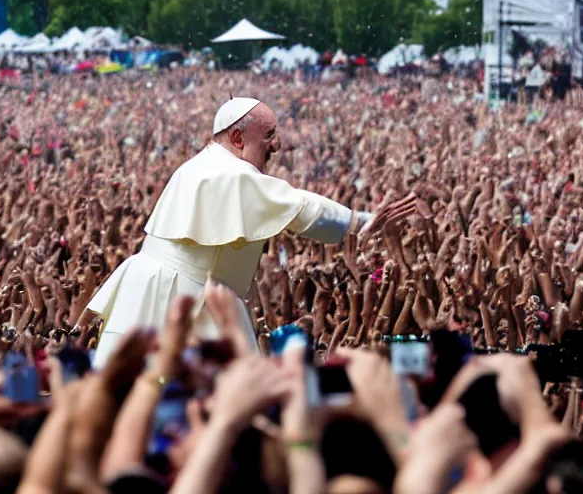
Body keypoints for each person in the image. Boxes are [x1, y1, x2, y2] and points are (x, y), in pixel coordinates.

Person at [88, 97, 416, 367]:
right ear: (238, 138)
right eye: (269, 135)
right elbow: (299, 207)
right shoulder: (231, 173)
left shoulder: (204, 165)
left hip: (164, 288)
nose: (277, 146)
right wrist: (359, 221)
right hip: (183, 295)